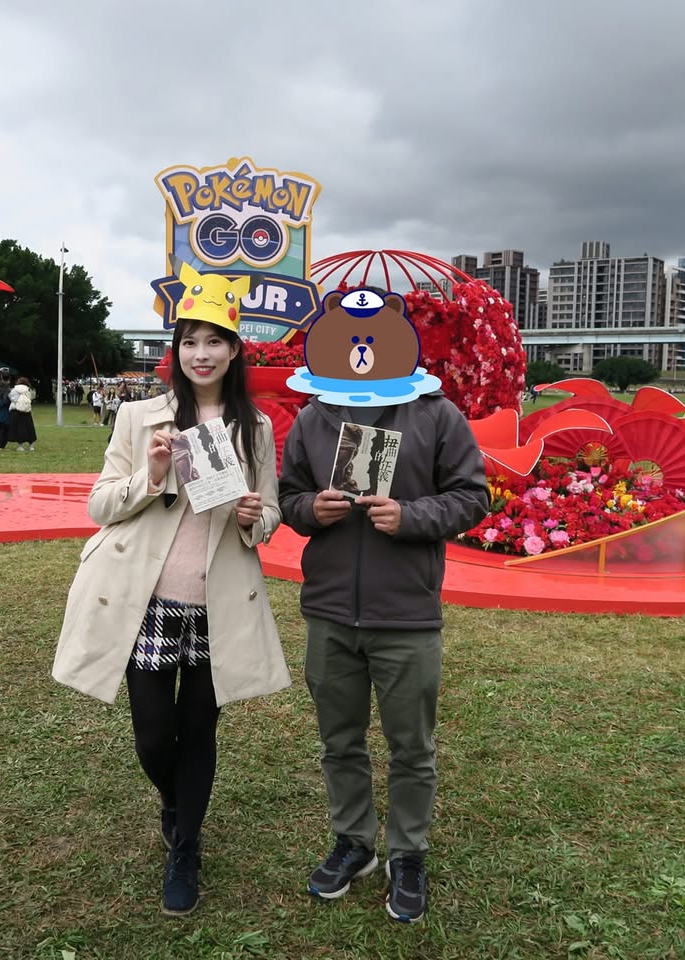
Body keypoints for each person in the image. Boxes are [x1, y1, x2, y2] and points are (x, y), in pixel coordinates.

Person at [53, 306, 288, 917]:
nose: (201, 354)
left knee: (200, 728)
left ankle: (185, 848)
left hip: (216, 601)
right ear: (176, 351)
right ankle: (176, 803)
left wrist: (254, 517)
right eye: (189, 342)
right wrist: (152, 474)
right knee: (155, 734)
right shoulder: (139, 416)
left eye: (214, 342)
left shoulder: (254, 426)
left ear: (234, 351)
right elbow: (100, 505)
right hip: (147, 601)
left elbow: (270, 510)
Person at [277, 326, 489, 922]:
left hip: (407, 614)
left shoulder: (436, 414)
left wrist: (411, 515)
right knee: (339, 741)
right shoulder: (314, 416)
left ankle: (408, 852)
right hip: (330, 611)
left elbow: (472, 496)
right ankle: (354, 842)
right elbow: (288, 495)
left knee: (411, 747)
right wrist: (309, 509)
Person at [9, 376, 37, 451]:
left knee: (19, 429)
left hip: (16, 410)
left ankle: (20, 446)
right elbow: (30, 398)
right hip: (26, 411)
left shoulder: (14, 390)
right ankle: (31, 446)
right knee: (29, 428)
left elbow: (11, 398)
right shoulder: (28, 390)